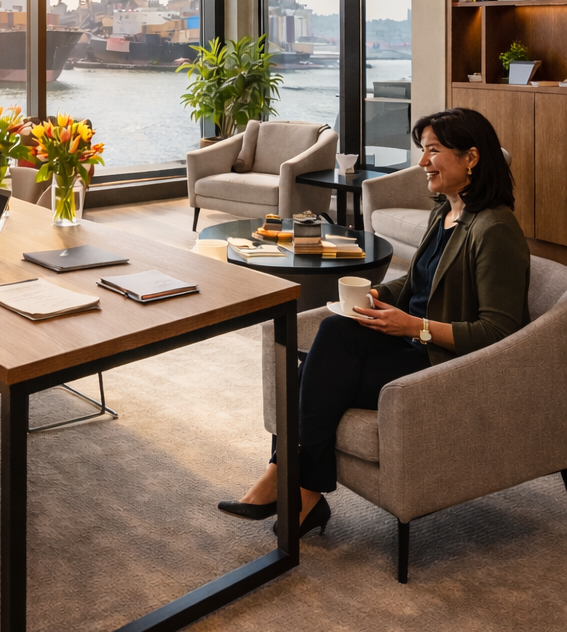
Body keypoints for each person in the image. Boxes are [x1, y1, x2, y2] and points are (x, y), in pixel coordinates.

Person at [218, 107, 531, 538]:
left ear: (472, 157)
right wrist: (377, 295)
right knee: (333, 331)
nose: (422, 163)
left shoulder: (496, 228)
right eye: (422, 151)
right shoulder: (446, 212)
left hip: (441, 359)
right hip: (409, 341)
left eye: (433, 151)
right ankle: (296, 486)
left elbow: (499, 332)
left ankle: (297, 486)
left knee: (308, 374)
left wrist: (413, 326)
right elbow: (418, 282)